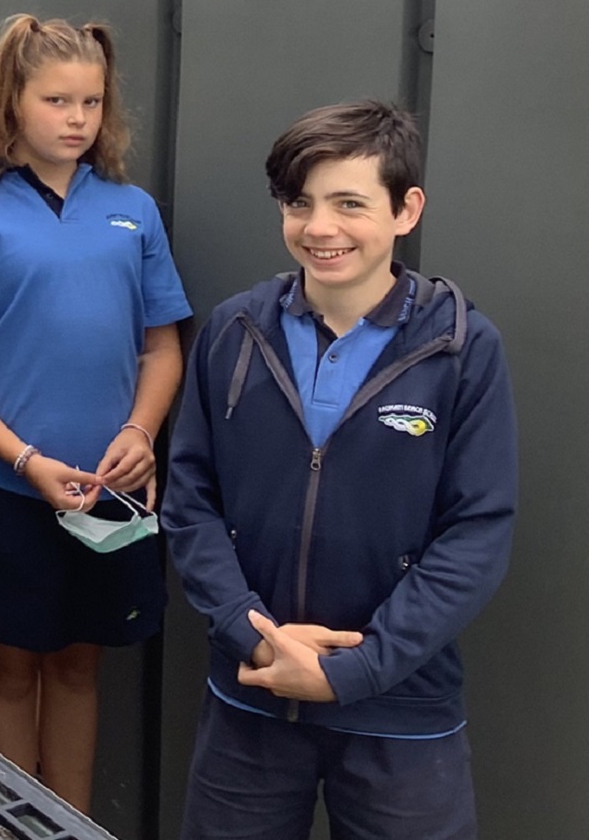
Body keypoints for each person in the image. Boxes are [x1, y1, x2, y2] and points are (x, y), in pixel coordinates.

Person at [163, 101, 516, 840]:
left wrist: (357, 669)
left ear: (405, 209)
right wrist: (254, 634)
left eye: (349, 203)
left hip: (400, 712)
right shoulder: (234, 331)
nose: (320, 227)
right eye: (300, 203)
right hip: (253, 693)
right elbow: (191, 500)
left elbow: (477, 532)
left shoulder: (461, 349)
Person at [0, 15, 192, 813]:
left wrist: (139, 431)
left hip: (107, 493)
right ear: (11, 103)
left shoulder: (133, 211)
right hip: (6, 492)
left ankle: (72, 823)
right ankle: (12, 825)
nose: (76, 118)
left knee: (77, 665)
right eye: (56, 100)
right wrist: (24, 459)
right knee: (7, 668)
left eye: (91, 102)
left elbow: (162, 348)